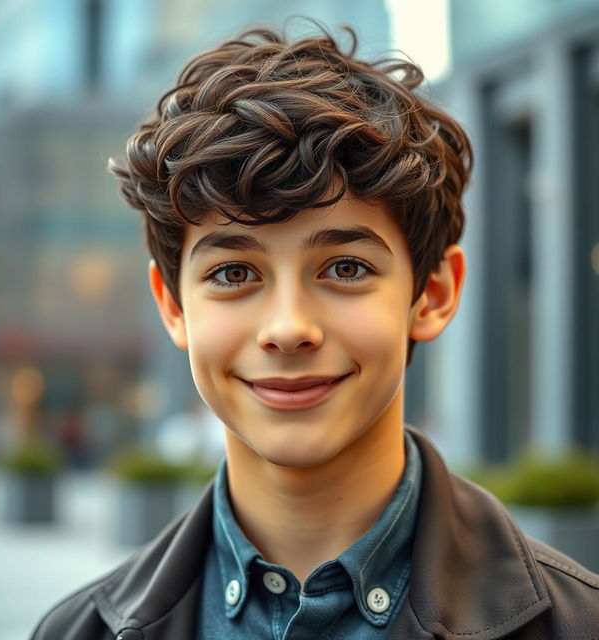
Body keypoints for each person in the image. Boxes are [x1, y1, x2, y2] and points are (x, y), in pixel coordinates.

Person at [31, 21, 599, 640]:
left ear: (432, 294)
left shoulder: (577, 625)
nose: (287, 329)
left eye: (346, 268)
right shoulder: (75, 630)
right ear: (173, 306)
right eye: (234, 272)